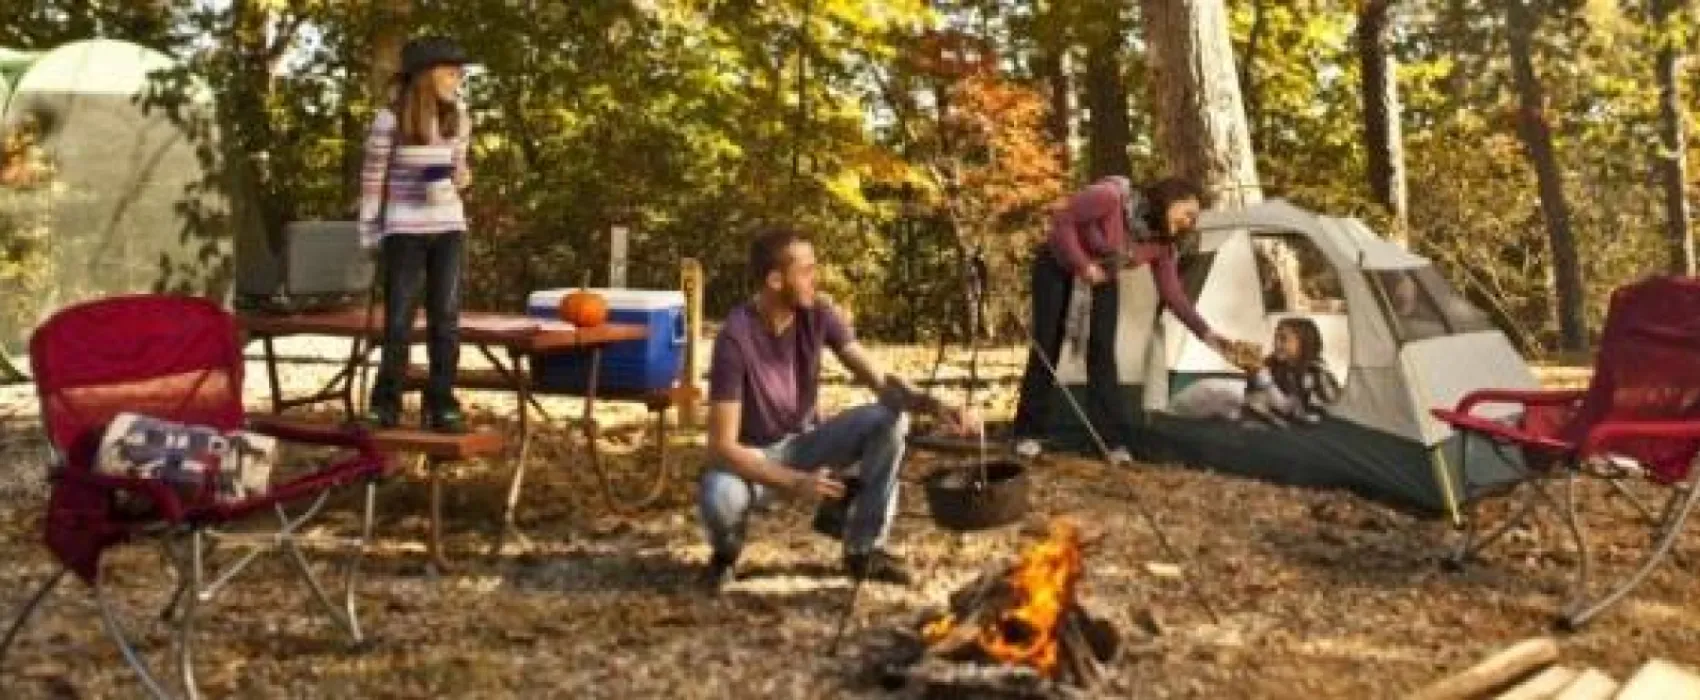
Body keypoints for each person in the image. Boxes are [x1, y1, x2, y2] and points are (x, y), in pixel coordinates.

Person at [699, 227, 980, 591]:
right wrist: (796, 483)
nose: (815, 279)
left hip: (808, 443)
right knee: (719, 494)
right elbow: (721, 448)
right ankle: (725, 556)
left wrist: (937, 405)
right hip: (755, 456)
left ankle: (864, 549)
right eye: (807, 271)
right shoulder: (734, 337)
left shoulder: (818, 314)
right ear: (774, 279)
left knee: (889, 419)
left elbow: (879, 379)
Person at [1010, 176, 1245, 462]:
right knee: (1047, 346)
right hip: (1058, 267)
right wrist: (1082, 264)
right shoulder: (1110, 197)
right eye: (1188, 213)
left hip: (1102, 278)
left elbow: (1174, 295)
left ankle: (1109, 441)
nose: (1190, 222)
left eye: (1194, 219)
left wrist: (1208, 334)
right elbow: (1063, 221)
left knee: (1103, 353)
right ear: (1170, 199)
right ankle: (1027, 433)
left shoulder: (1162, 244)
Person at [358, 36, 474, 433]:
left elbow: (459, 169)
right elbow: (373, 178)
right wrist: (370, 231)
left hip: (448, 226)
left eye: (459, 71)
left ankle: (442, 402)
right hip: (403, 228)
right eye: (450, 69)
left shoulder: (457, 115)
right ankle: (385, 403)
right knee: (399, 319)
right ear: (426, 75)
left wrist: (459, 177)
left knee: (446, 317)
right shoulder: (389, 120)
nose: (458, 77)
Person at [1240, 317, 1342, 426]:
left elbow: (1303, 415)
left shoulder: (1316, 374)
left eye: (1283, 339)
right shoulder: (1271, 366)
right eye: (1275, 338)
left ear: (1304, 343)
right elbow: (1253, 402)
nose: (1276, 344)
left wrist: (1267, 383)